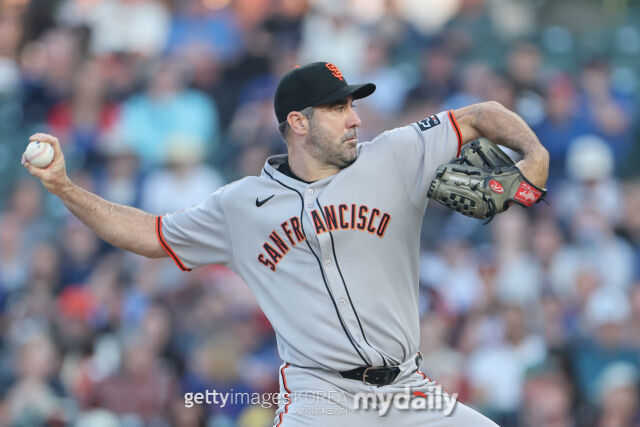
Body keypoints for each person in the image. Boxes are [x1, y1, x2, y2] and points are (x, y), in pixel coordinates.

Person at [24, 61, 548, 426]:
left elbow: (480, 115)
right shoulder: (240, 206)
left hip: (409, 390)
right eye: (338, 107)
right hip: (321, 398)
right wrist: (65, 188)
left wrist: (534, 156)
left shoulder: (393, 154)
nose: (355, 118)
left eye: (353, 105)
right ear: (298, 122)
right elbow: (149, 234)